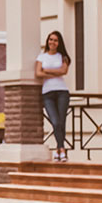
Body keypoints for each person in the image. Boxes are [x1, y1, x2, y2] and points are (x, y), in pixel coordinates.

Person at [35, 30, 71, 162]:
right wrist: (56, 73)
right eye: (51, 39)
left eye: (55, 40)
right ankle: (62, 149)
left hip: (62, 92)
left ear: (59, 43)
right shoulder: (41, 57)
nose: (52, 42)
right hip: (47, 94)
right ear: (47, 41)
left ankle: (59, 150)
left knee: (61, 122)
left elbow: (64, 71)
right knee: (55, 122)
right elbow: (38, 73)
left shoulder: (63, 56)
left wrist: (47, 71)